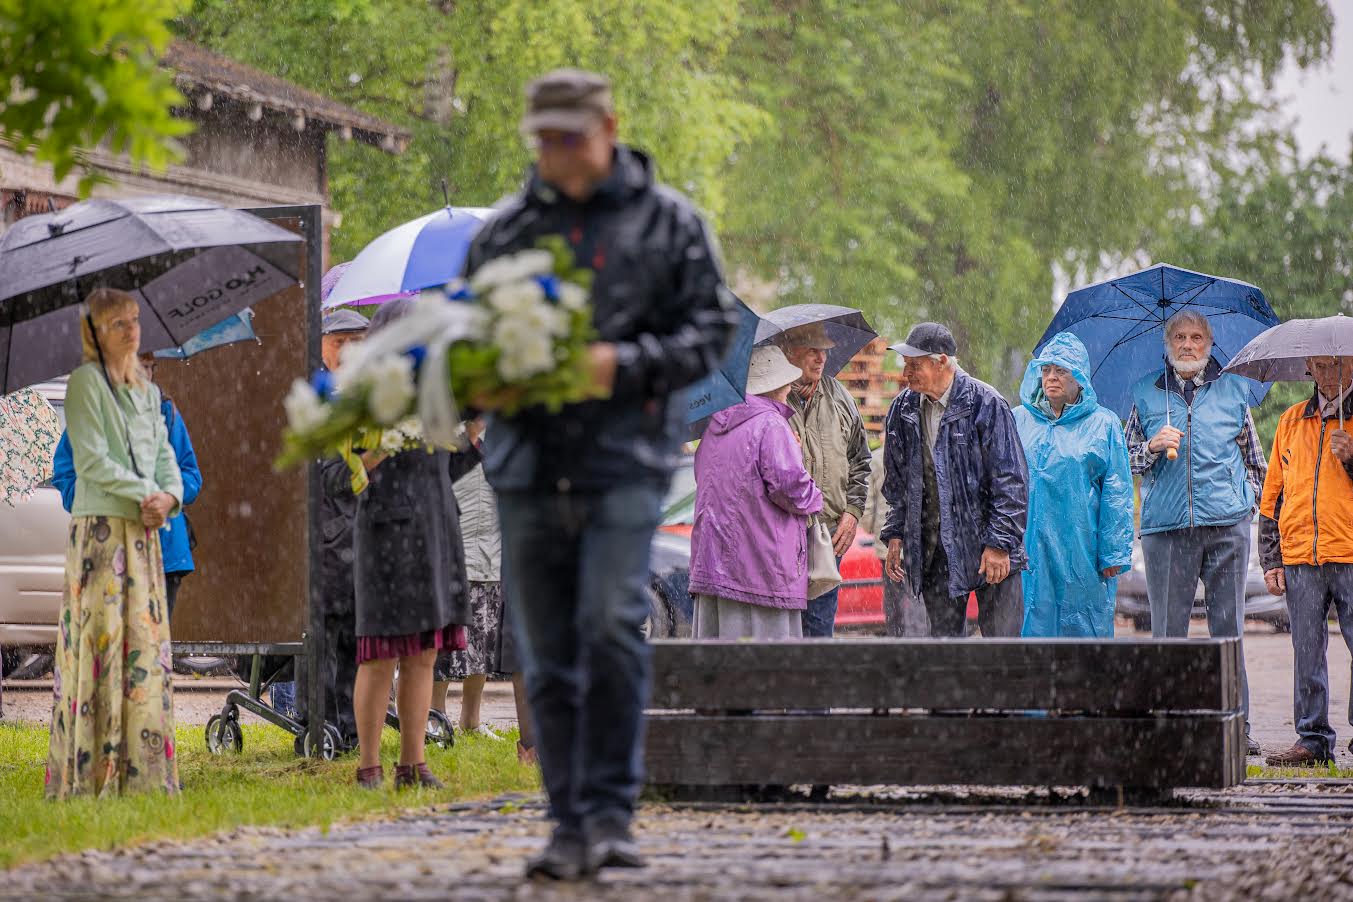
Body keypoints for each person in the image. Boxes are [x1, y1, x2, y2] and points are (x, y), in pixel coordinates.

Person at [464, 68, 736, 879]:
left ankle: (612, 814)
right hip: (525, 465)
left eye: (570, 138)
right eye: (543, 139)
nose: (557, 154)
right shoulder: (507, 231)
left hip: (624, 462)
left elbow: (711, 331)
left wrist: (619, 363)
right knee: (544, 646)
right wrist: (475, 380)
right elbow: (461, 340)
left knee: (612, 624)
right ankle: (567, 820)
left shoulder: (669, 225)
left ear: (609, 128)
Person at [46, 288, 183, 799]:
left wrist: (168, 496)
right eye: (118, 324)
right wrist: (145, 492)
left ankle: (141, 771)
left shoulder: (145, 390)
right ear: (95, 333)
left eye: (134, 321)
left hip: (143, 536)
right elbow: (92, 461)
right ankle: (94, 769)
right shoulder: (85, 384)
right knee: (103, 650)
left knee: (143, 651)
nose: (132, 331)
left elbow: (166, 454)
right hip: (102, 536)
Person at [1124, 310, 1265, 755]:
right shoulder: (1146, 393)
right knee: (1168, 633)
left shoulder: (1234, 388)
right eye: (1180, 337)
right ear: (1168, 344)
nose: (1188, 344)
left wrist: (1246, 508)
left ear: (1209, 343)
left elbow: (1256, 464)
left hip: (1227, 529)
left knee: (1229, 632)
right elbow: (1125, 459)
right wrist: (1150, 446)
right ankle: (1171, 725)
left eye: (1197, 337)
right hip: (1166, 530)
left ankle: (1237, 730)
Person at [350, 299, 476, 790]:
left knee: (424, 652)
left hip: (436, 534)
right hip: (386, 536)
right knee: (380, 654)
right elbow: (343, 473)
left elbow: (445, 470)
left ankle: (412, 764)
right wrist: (379, 446)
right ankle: (367, 767)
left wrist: (473, 439)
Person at [881, 322, 1027, 638]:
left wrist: (999, 544)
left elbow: (1011, 482)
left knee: (1004, 654)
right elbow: (898, 483)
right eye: (906, 365)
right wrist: (896, 534)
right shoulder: (902, 410)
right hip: (936, 553)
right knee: (944, 654)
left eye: (915, 365)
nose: (907, 374)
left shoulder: (986, 403)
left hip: (990, 549)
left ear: (942, 361)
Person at [52, 354, 202, 621]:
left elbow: (189, 476)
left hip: (163, 552)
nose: (146, 374)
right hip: (106, 548)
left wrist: (166, 498)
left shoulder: (163, 412)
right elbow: (66, 475)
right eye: (138, 365)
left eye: (150, 366)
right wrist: (98, 501)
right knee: (107, 644)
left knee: (150, 646)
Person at [688, 346, 824, 639]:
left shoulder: (714, 425)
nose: (790, 388)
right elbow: (790, 488)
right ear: (776, 385)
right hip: (760, 568)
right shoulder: (772, 424)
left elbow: (705, 477)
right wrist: (816, 497)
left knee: (718, 666)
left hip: (712, 564)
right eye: (787, 381)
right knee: (765, 668)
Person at [1259, 355, 1353, 766]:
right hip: (1300, 557)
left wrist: (1351, 459)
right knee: (1307, 651)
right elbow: (1272, 495)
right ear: (1309, 370)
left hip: (1350, 553)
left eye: (1340, 363)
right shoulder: (1291, 421)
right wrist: (1271, 558)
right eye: (1321, 364)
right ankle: (1312, 740)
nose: (1330, 371)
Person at [431, 417, 539, 765]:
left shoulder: (499, 436)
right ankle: (435, 717)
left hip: (491, 550)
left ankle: (471, 719)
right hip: (454, 546)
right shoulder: (450, 437)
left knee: (483, 638)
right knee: (447, 642)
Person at [1012, 332, 1133, 637]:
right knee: (1031, 623)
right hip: (1028, 546)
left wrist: (1113, 553)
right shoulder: (1018, 420)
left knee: (1082, 627)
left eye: (1061, 370)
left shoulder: (1103, 424)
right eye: (1046, 370)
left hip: (1081, 547)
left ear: (1079, 377)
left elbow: (1116, 492)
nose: (1051, 377)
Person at [777, 323, 871, 637]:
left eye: (824, 351)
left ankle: (816, 685)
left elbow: (861, 461)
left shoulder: (840, 397)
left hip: (828, 534)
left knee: (819, 628)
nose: (821, 359)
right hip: (779, 534)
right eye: (812, 351)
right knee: (781, 626)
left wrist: (853, 513)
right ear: (789, 353)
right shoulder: (770, 399)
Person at [309, 307, 372, 751]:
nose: (349, 351)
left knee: (359, 638)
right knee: (324, 641)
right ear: (322, 347)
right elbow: (325, 475)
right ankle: (321, 724)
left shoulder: (375, 397)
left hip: (369, 539)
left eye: (358, 341)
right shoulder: (314, 397)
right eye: (340, 341)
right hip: (326, 540)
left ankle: (351, 727)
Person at [861, 440, 929, 636]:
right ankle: (920, 637)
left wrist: (872, 528)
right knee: (918, 594)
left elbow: (867, 501)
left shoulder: (876, 459)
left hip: (887, 540)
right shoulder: (918, 454)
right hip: (918, 539)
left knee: (893, 597)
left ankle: (896, 637)